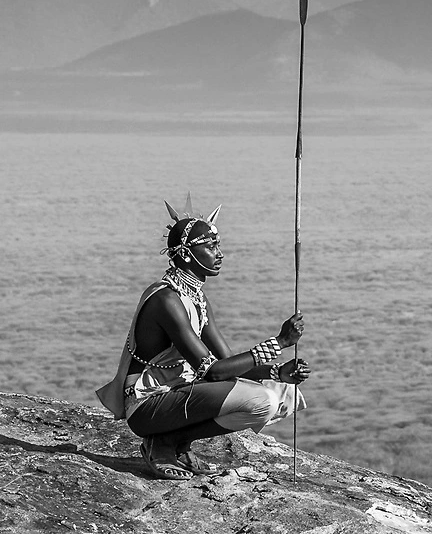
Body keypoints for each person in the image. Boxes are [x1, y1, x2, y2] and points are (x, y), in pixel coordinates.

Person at [97, 197, 310, 480]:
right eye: (210, 247)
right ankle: (162, 442)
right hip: (148, 405)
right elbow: (212, 372)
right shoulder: (167, 300)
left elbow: (226, 361)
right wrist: (279, 343)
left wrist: (277, 371)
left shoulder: (196, 297)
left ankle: (177, 442)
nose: (219, 253)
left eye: (218, 245)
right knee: (262, 400)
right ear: (185, 254)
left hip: (177, 394)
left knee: (285, 394)